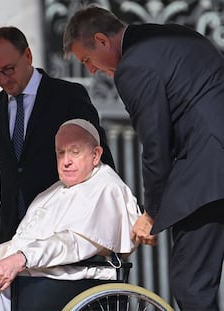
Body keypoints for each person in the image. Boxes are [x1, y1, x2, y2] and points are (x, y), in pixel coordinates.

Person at [63, 5, 224, 311]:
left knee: (191, 282)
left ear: (101, 40)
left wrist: (151, 212)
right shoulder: (171, 36)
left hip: (209, 170)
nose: (91, 71)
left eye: (87, 60)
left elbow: (154, 142)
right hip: (212, 161)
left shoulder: (133, 67)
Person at [0, 26, 115, 266]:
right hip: (12, 238)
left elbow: (100, 159)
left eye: (8, 69)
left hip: (60, 235)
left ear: (28, 56)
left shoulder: (68, 96)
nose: (3, 79)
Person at [0, 119, 141, 311]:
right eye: (60, 153)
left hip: (75, 275)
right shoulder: (52, 192)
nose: (66, 161)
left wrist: (21, 259)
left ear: (96, 155)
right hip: (43, 270)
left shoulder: (106, 187)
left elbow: (72, 243)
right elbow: (26, 241)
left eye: (75, 152)